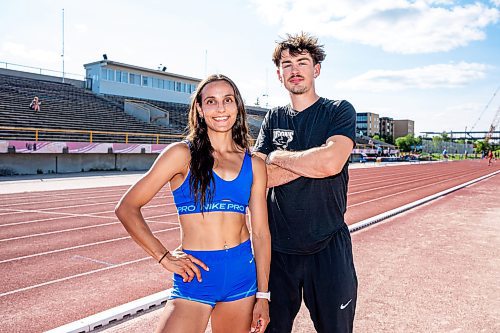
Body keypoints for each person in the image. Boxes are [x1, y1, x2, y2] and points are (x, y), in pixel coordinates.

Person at [115, 74, 271, 333]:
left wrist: (263, 296)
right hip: (194, 276)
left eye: (228, 100)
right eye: (211, 101)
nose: (220, 109)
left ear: (238, 107)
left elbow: (262, 233)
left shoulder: (254, 164)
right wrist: (163, 257)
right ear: (199, 108)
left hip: (241, 277)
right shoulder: (180, 155)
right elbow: (127, 208)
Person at [253, 32, 358, 332]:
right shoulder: (273, 117)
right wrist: (311, 162)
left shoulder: (338, 110)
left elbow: (331, 163)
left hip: (328, 247)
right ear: (279, 74)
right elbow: (258, 178)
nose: (295, 70)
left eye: (302, 62)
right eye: (287, 64)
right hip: (278, 252)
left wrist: (276, 157)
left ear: (317, 69)